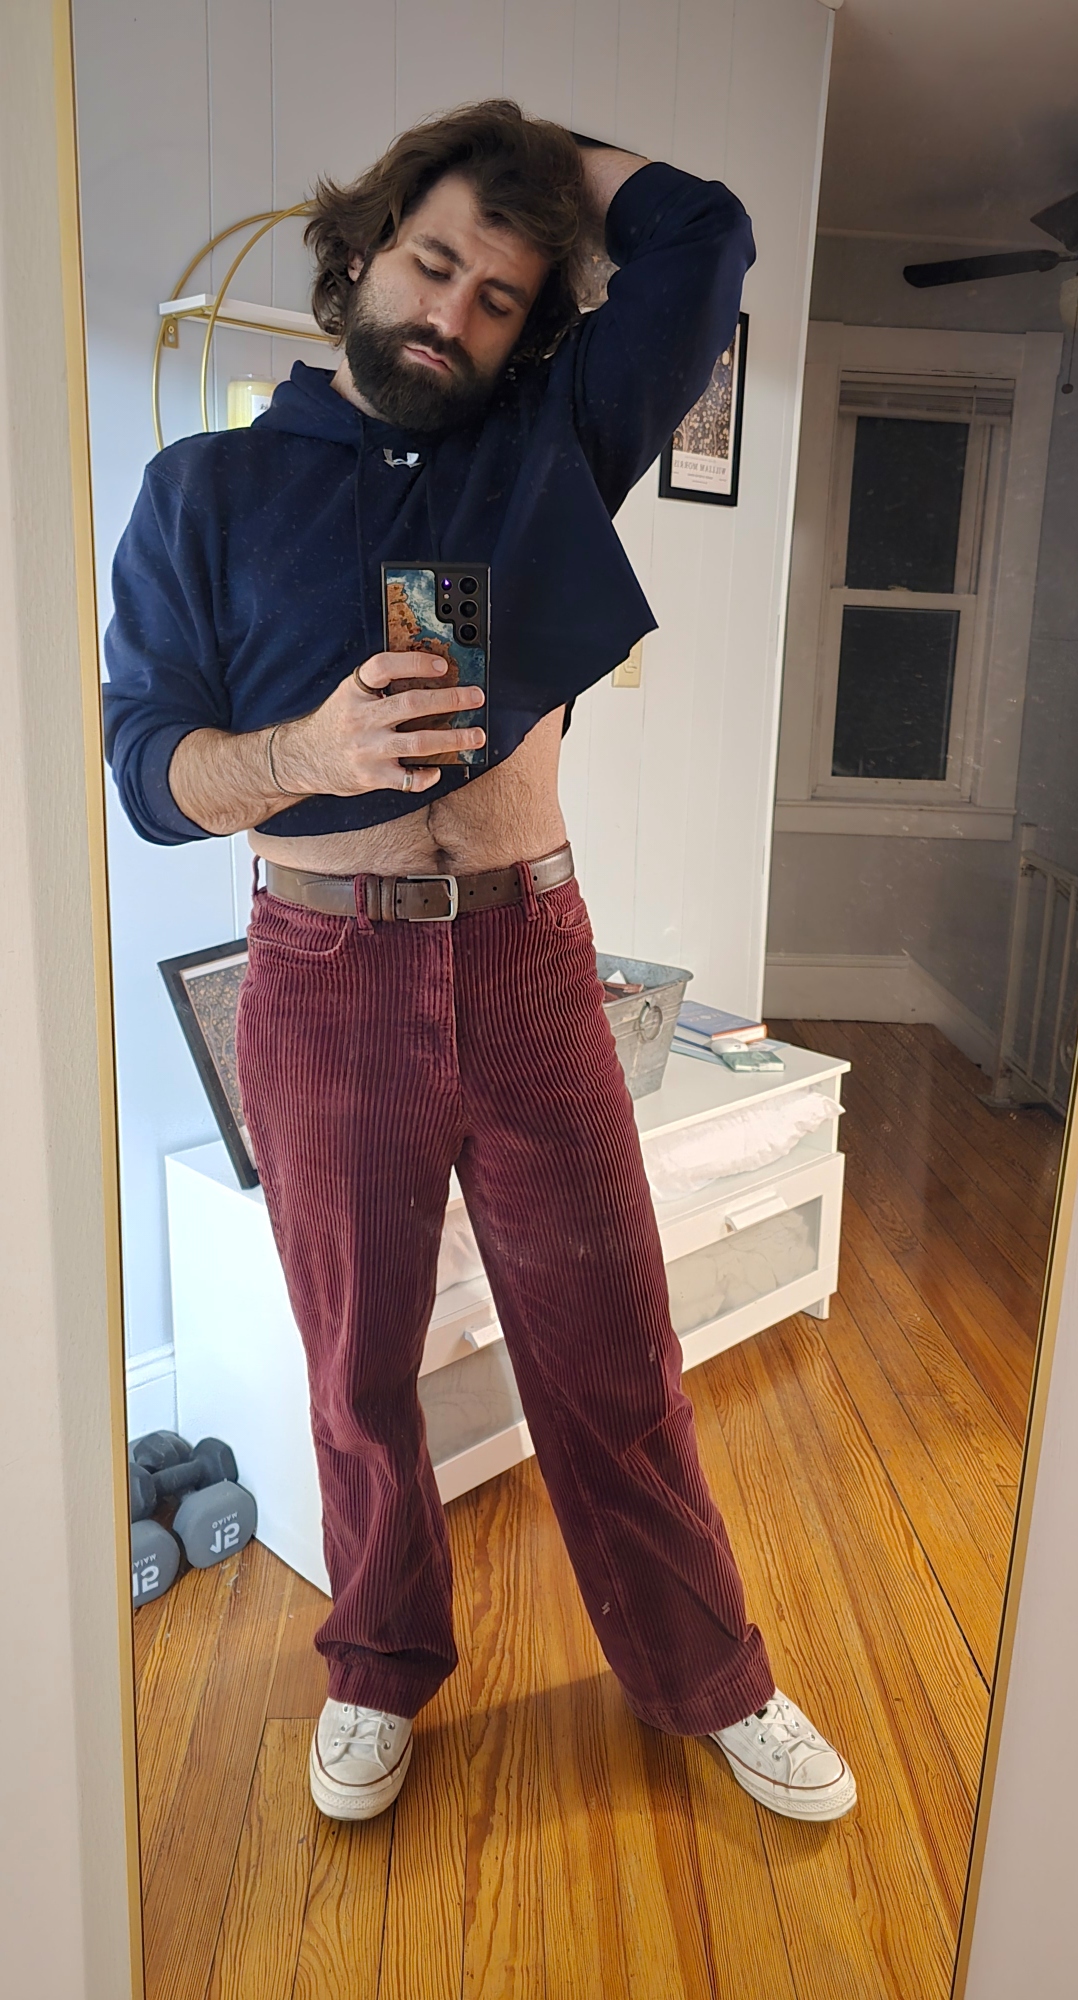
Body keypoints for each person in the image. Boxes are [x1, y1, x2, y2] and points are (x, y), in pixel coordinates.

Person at [104, 100, 855, 1827]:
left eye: (500, 295)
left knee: (614, 1359)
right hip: (324, 979)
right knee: (359, 1370)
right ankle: (377, 1666)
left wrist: (524, 146)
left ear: (530, 328)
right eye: (432, 260)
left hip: (533, 962)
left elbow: (707, 235)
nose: (452, 312)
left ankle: (710, 1676)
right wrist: (303, 755)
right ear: (363, 251)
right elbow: (145, 767)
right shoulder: (203, 490)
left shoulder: (545, 445)